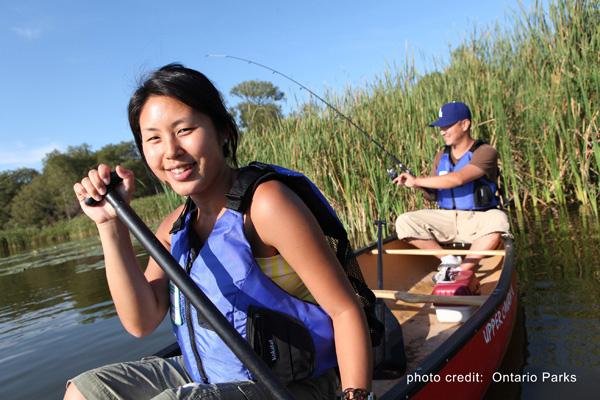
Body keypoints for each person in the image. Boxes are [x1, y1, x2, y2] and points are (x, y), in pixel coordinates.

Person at [65, 64, 373, 400]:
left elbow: (345, 310)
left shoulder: (266, 206)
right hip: (207, 371)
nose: (170, 151)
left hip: (293, 383)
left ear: (223, 130)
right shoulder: (174, 226)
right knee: (86, 391)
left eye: (184, 130)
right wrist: (110, 224)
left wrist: (356, 395)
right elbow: (141, 321)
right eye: (153, 138)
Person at [393, 101, 510, 283]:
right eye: (440, 127)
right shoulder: (441, 156)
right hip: (446, 218)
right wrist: (416, 185)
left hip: (476, 219)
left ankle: (464, 269)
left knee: (499, 220)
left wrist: (417, 180)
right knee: (404, 222)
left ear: (465, 124)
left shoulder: (486, 152)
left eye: (447, 126)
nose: (442, 131)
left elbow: (458, 179)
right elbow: (433, 194)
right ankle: (448, 260)